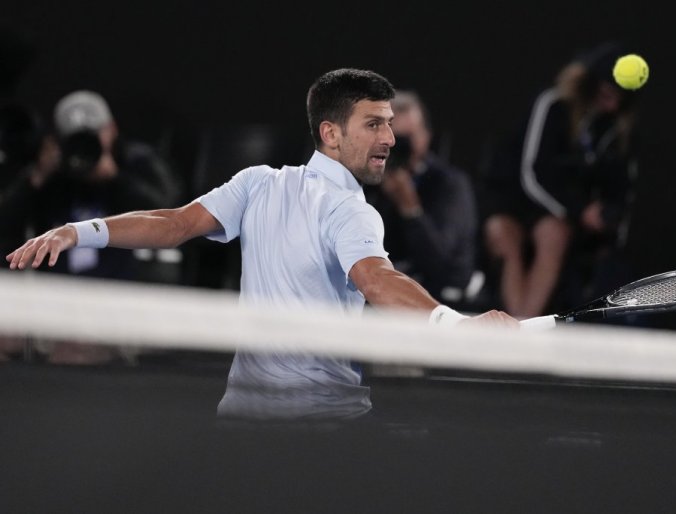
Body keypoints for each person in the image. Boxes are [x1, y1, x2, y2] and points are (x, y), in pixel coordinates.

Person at [6, 68, 517, 419]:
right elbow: (376, 280)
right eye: (373, 124)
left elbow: (174, 224)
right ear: (330, 133)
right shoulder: (349, 209)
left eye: (388, 124)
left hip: (245, 423)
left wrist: (78, 231)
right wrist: (457, 324)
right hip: (322, 431)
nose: (389, 138)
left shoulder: (257, 182)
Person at [2, 90, 182, 364]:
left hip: (113, 305)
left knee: (73, 350)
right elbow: (5, 225)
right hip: (51, 302)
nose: (84, 146)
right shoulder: (50, 174)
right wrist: (36, 177)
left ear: (112, 130)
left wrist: (115, 178)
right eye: (74, 138)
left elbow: (171, 216)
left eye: (93, 135)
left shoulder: (133, 161)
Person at [479, 42, 639, 319]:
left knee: (555, 234)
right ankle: (517, 327)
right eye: (606, 95)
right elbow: (531, 173)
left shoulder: (616, 131)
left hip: (559, 218)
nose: (611, 105)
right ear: (590, 86)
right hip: (513, 201)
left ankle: (520, 325)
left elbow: (621, 190)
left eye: (618, 100)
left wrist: (603, 218)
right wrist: (579, 211)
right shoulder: (552, 105)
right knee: (502, 235)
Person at [363, 90, 477, 309]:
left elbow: (441, 264)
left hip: (435, 301)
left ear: (425, 136)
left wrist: (411, 208)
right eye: (392, 138)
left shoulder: (448, 185)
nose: (399, 146)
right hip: (377, 299)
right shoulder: (367, 182)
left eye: (408, 138)